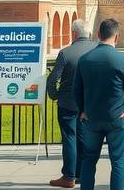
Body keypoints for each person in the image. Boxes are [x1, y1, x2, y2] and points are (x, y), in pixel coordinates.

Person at [74, 19, 124, 190]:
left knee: (89, 160)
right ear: (116, 37)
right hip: (117, 117)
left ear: (98, 35)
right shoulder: (123, 60)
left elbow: (76, 90)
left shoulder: (85, 59)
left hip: (91, 117)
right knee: (117, 161)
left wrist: (82, 110)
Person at [46, 19, 98, 188]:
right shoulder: (96, 50)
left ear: (74, 34)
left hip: (67, 102)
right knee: (83, 138)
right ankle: (81, 175)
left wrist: (54, 95)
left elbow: (53, 79)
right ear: (88, 33)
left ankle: (68, 176)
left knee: (69, 138)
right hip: (89, 104)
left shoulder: (66, 53)